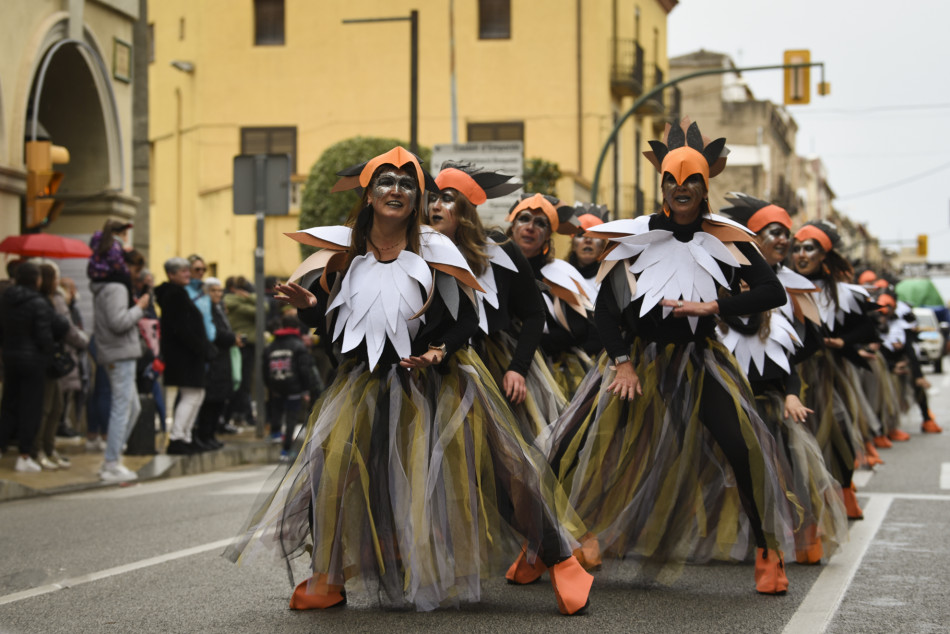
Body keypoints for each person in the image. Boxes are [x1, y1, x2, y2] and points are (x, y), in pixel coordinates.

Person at [227, 146, 592, 615]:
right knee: (332, 472)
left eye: (406, 183)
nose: (395, 190)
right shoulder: (348, 252)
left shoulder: (437, 249)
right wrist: (310, 306)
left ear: (416, 198)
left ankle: (562, 560)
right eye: (385, 181)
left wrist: (440, 349)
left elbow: (465, 320)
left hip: (439, 380)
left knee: (504, 472)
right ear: (369, 194)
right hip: (367, 381)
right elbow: (340, 330)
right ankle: (330, 577)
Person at [542, 118, 796, 594]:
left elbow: (772, 293)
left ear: (705, 187)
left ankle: (767, 553)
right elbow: (604, 312)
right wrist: (622, 362)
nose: (681, 188)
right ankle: (545, 546)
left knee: (742, 450)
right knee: (574, 450)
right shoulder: (632, 237)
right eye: (672, 180)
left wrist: (715, 305)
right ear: (661, 185)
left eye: (692, 180)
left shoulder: (727, 237)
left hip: (699, 361)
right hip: (633, 361)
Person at [717, 193, 848, 565]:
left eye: (786, 234)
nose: (783, 240)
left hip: (775, 397)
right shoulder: (724, 286)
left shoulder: (789, 289)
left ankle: (796, 535)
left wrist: (788, 383)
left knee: (788, 469)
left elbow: (807, 343)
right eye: (773, 232)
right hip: (734, 399)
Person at [427, 160, 565, 441]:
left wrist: (518, 369)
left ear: (466, 207)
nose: (435, 206)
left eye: (447, 198)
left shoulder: (502, 250)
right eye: (432, 199)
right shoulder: (418, 250)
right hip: (435, 368)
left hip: (494, 366)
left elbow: (534, 314)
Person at [506, 193, 594, 398]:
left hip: (552, 375)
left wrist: (530, 343)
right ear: (512, 226)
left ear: (548, 235)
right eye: (524, 219)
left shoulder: (560, 273)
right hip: (498, 365)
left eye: (540, 223)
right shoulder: (490, 265)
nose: (530, 227)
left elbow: (579, 329)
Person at [90, 249, 150, 482]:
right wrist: (140, 307)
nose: (136, 275)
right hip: (119, 353)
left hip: (118, 352)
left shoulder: (109, 286)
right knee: (122, 408)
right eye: (135, 270)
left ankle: (113, 458)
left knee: (132, 408)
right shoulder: (116, 288)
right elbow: (118, 322)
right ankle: (111, 463)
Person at [0, 262, 57, 473]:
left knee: (8, 403)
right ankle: (24, 455)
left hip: (10, 357)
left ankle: (2, 446)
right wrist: (49, 354)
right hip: (33, 362)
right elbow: (44, 335)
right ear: (37, 280)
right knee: (30, 408)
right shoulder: (39, 302)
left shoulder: (6, 299)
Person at [155, 257, 212, 454]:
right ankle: (178, 437)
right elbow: (182, 328)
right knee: (191, 394)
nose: (187, 274)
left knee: (197, 394)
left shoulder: (177, 293)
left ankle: (186, 436)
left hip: (189, 353)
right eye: (183, 271)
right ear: (171, 274)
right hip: (185, 355)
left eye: (188, 270)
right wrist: (201, 348)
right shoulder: (174, 295)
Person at [35, 260, 88, 469]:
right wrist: (81, 340)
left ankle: (48, 448)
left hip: (52, 359)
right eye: (56, 277)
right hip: (46, 359)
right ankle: (37, 450)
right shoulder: (49, 300)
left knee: (56, 406)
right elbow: (64, 327)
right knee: (46, 408)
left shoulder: (53, 299)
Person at [263, 314, 317, 460]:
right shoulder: (299, 346)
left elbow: (265, 369)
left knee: (277, 411)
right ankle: (286, 450)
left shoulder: (271, 346)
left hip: (276, 385)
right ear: (297, 328)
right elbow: (304, 370)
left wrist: (270, 386)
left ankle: (275, 433)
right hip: (294, 388)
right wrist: (306, 389)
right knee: (291, 419)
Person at [194, 277, 237, 450]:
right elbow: (216, 333)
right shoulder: (206, 309)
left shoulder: (219, 308)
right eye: (213, 290)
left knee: (220, 398)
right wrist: (232, 338)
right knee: (210, 400)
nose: (218, 294)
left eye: (220, 290)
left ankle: (211, 434)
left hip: (223, 358)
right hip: (213, 359)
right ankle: (204, 434)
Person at [224, 275, 257, 430]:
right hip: (240, 345)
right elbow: (261, 308)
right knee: (240, 381)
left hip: (244, 345)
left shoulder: (235, 301)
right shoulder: (234, 301)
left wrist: (248, 297)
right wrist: (250, 298)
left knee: (242, 382)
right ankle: (239, 415)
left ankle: (241, 414)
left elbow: (263, 307)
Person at [87, 220, 133, 284]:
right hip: (104, 275)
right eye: (124, 234)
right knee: (127, 279)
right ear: (116, 234)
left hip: (95, 274)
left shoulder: (100, 241)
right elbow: (117, 262)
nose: (126, 239)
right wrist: (127, 271)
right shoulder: (114, 245)